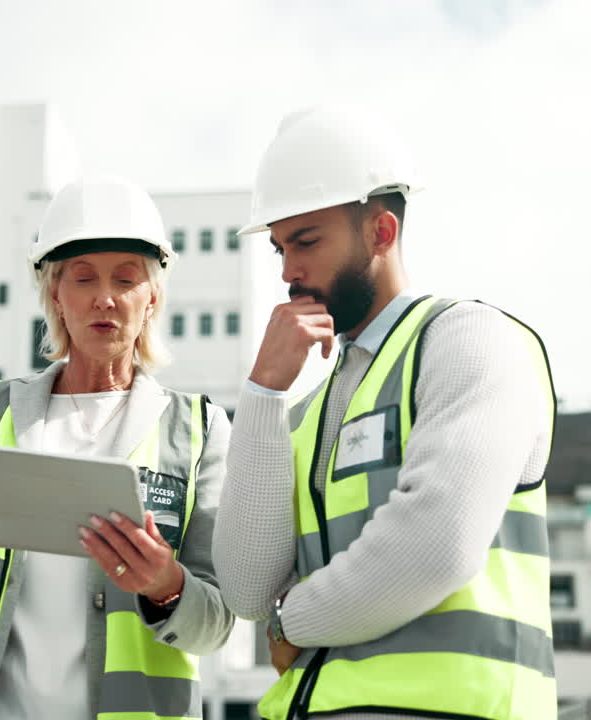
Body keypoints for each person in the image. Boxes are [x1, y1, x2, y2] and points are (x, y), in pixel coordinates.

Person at [213, 106, 558, 720]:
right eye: (280, 248)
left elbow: (436, 546)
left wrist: (292, 620)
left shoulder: (468, 339)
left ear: (381, 231)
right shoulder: (306, 411)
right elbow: (244, 588)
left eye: (307, 242)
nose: (289, 271)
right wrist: (263, 393)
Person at [0, 175, 234, 720]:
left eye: (126, 279)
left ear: (151, 296)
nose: (104, 298)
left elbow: (217, 623)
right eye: (83, 278)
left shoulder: (198, 430)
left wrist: (165, 586)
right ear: (55, 293)